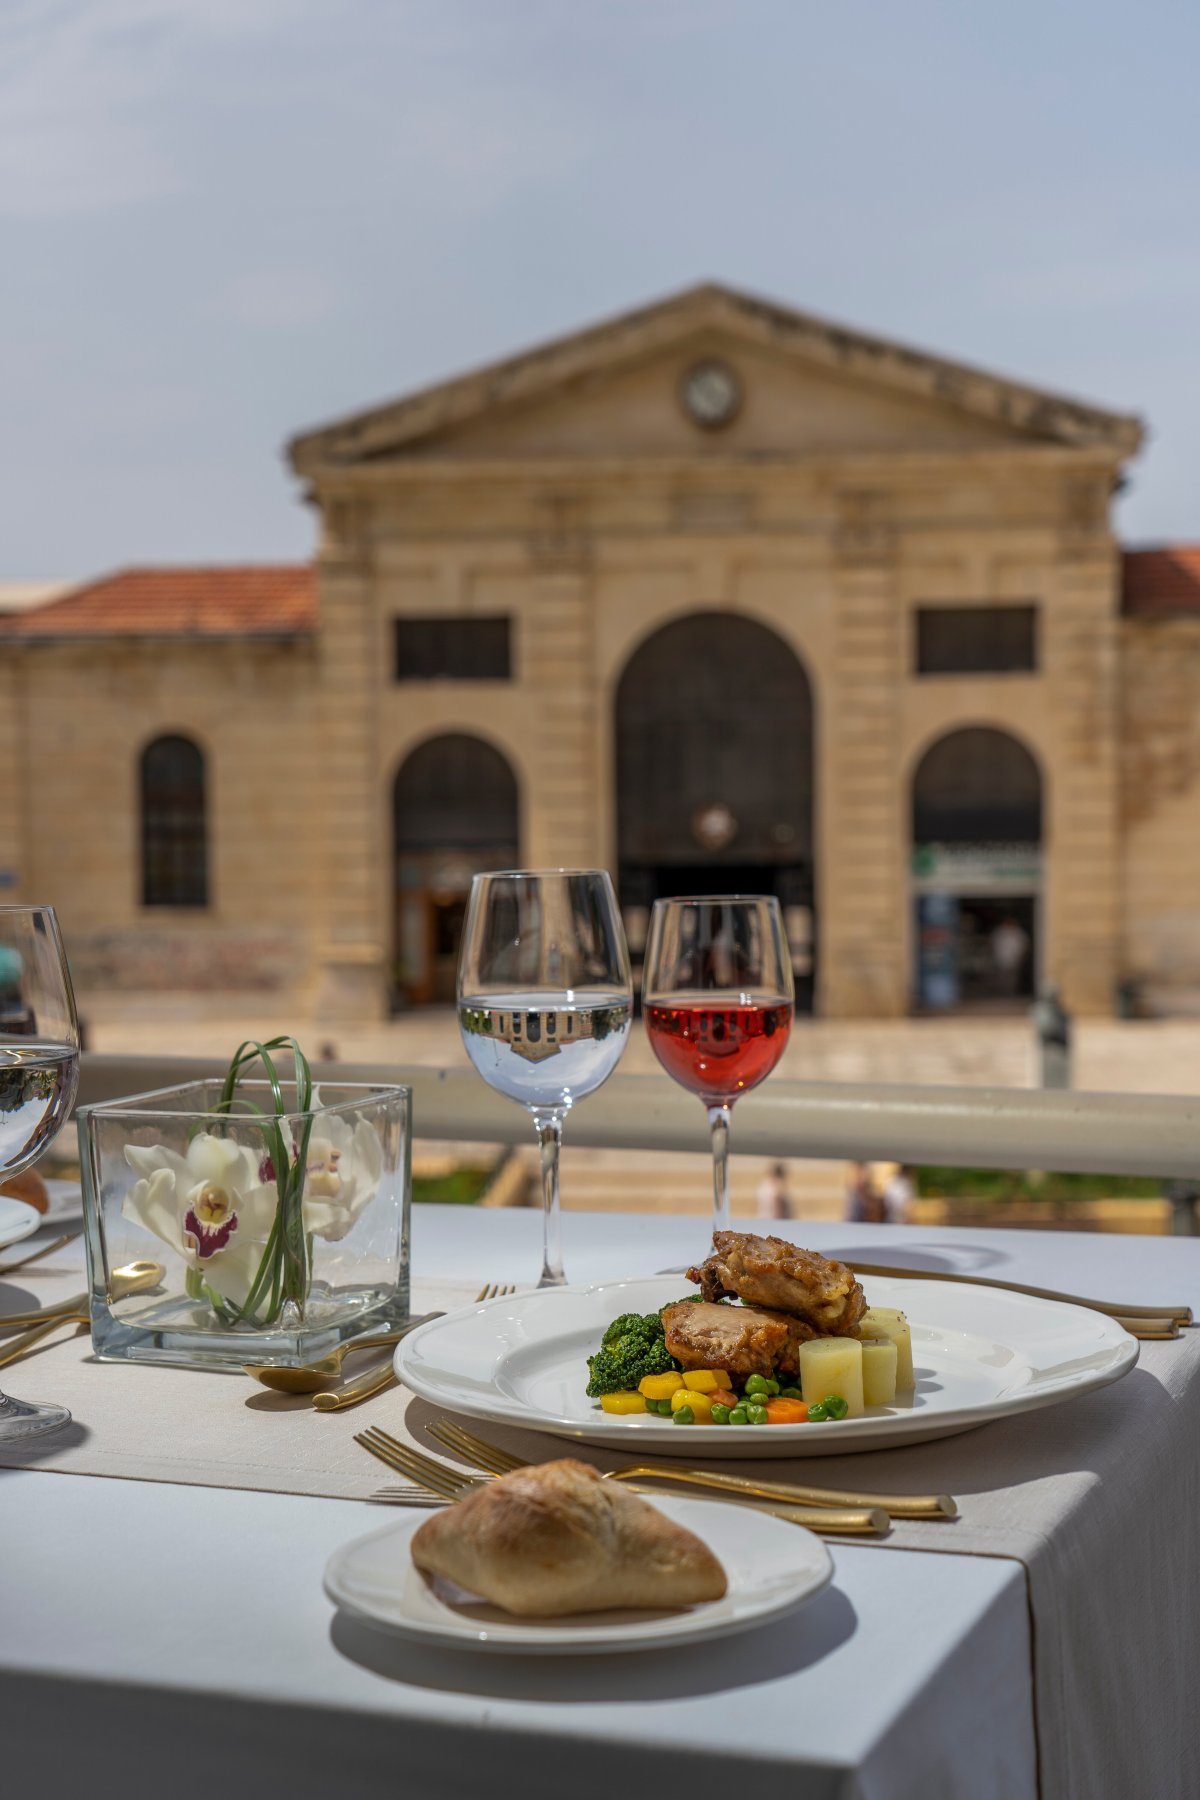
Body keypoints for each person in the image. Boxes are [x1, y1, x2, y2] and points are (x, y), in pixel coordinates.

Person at [990, 915, 1030, 998]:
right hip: (1001, 959)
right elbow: (992, 944)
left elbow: (1025, 945)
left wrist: (1022, 957)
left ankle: (1011, 993)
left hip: (1014, 959)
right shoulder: (999, 932)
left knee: (1013, 978)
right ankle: (1002, 993)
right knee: (1001, 978)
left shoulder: (1018, 933)